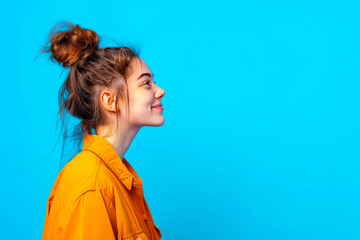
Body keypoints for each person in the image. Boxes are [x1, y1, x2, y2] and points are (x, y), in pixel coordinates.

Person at [40, 22, 165, 240]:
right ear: (110, 100)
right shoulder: (92, 184)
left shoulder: (118, 180)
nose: (160, 91)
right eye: (146, 84)